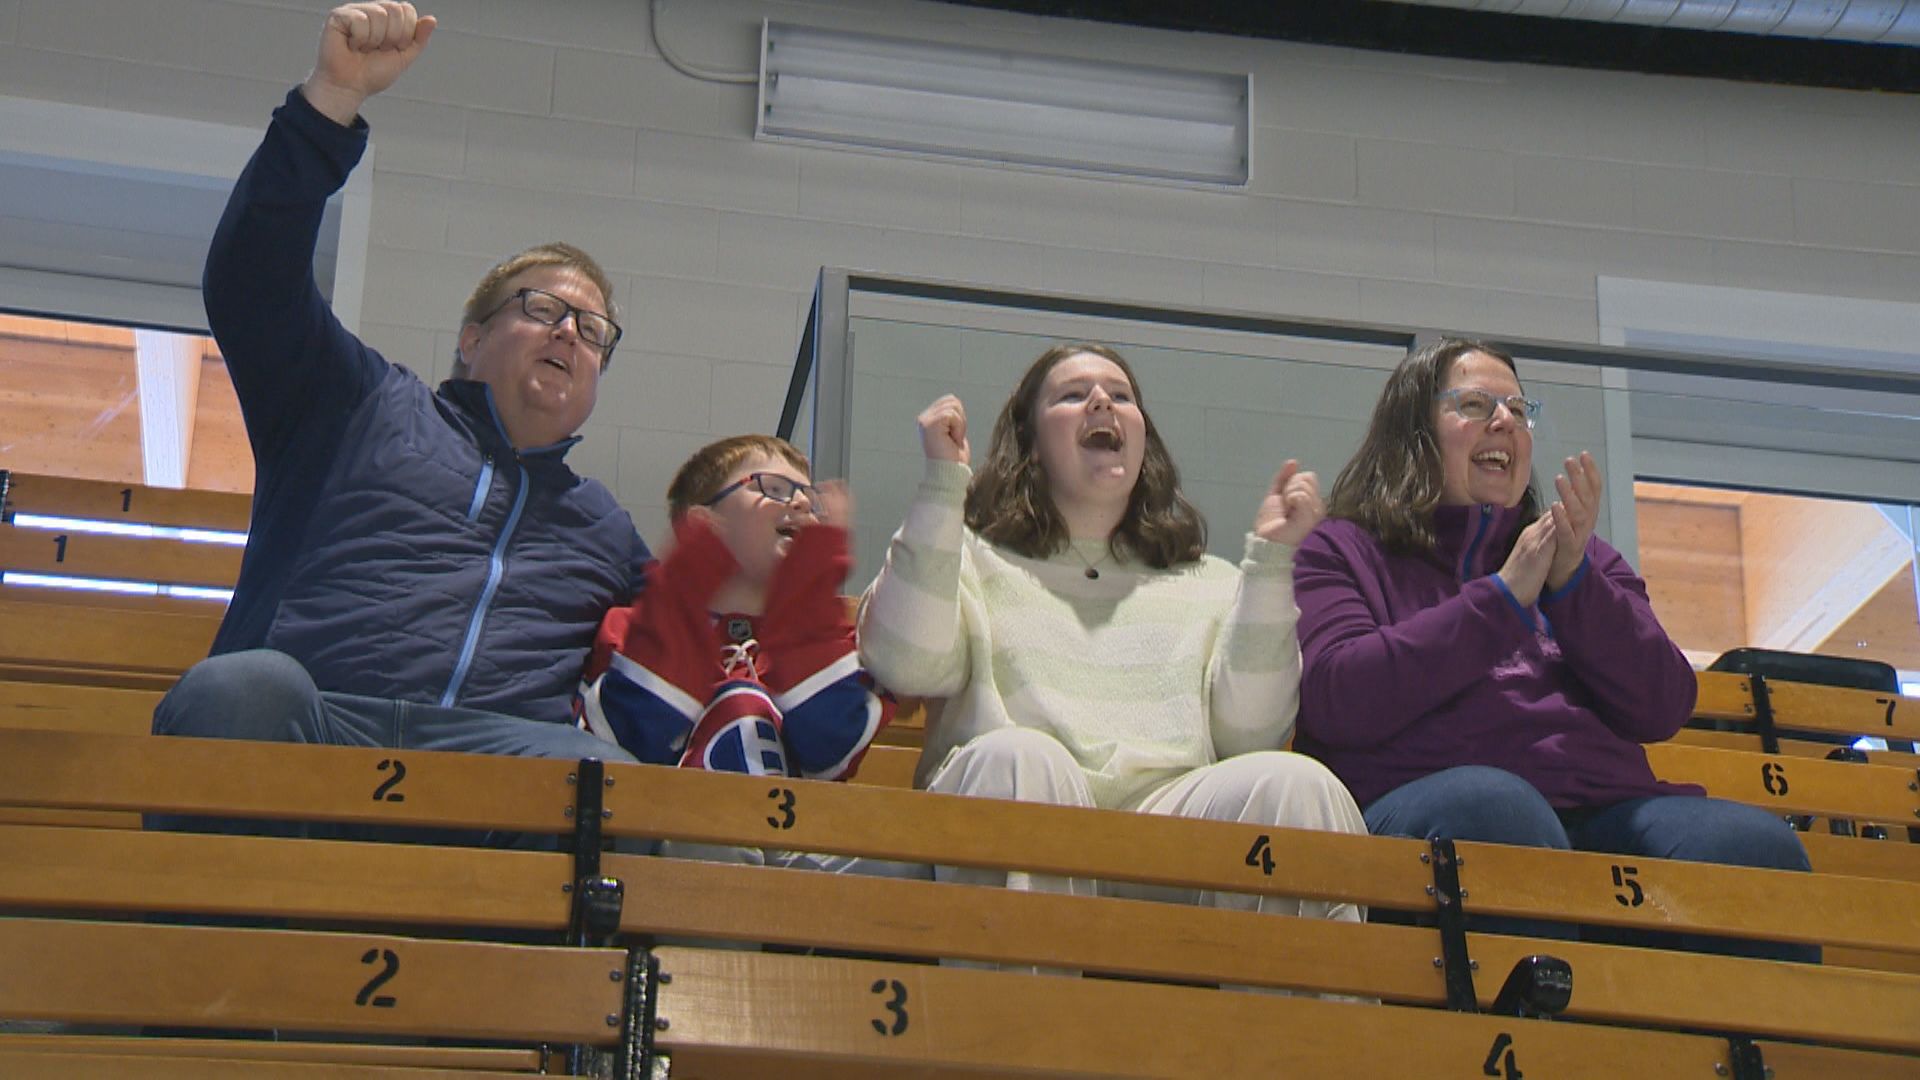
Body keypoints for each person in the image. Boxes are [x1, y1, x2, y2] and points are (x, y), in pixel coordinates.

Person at [151, 2, 648, 789]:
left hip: (496, 762)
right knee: (242, 688)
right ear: (471, 338)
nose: (568, 335)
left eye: (592, 331)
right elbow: (251, 280)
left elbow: (705, 625)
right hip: (317, 727)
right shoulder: (355, 402)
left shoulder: (608, 530)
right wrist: (329, 101)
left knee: (607, 779)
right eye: (543, 309)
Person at [1292, 337, 1815, 961]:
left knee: (1756, 849)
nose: (1505, 420)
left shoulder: (1582, 557)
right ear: (1414, 434)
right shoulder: (1341, 548)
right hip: (1429, 814)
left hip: (1604, 816)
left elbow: (1664, 705)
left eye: (1517, 406)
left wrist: (1573, 587)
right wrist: (1502, 600)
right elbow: (1335, 699)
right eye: (1476, 403)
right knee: (1499, 809)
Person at [858, 342, 1366, 927]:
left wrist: (1273, 562)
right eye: (1072, 396)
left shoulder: (1209, 580)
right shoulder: (971, 557)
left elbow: (1250, 735)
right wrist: (944, 485)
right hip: (1021, 804)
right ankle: (1018, 1021)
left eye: (1121, 396)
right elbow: (903, 663)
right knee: (1022, 757)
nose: (1102, 400)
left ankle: (1308, 1023)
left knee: (1297, 784)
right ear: (1031, 443)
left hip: (1166, 831)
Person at [575, 434, 922, 878]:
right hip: (672, 858)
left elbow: (829, 745)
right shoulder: (635, 626)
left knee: (915, 867)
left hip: (805, 855)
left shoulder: (830, 637)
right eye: (774, 489)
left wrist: (803, 591)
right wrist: (696, 569)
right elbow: (638, 734)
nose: (800, 505)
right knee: (712, 824)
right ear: (703, 523)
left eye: (811, 499)